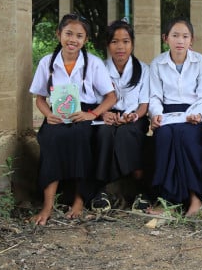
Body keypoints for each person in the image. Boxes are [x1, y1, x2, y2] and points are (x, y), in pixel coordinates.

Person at [29, 13, 117, 225]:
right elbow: (39, 98)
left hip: (84, 113)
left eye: (79, 36)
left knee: (80, 137)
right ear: (59, 34)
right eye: (68, 34)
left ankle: (79, 201)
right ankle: (47, 205)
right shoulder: (47, 63)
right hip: (57, 114)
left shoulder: (93, 63)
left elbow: (111, 96)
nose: (73, 40)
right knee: (51, 139)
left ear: (85, 40)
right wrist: (48, 115)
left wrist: (92, 114)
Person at [149, 17, 202, 216]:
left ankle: (195, 198)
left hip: (193, 114)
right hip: (167, 115)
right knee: (165, 136)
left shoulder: (200, 62)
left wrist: (198, 115)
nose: (180, 41)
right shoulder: (157, 63)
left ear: (191, 40)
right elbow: (155, 96)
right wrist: (156, 115)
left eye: (185, 36)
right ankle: (165, 200)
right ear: (165, 38)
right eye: (175, 35)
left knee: (187, 137)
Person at [92, 20, 150, 212]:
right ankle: (101, 190)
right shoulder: (99, 67)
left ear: (132, 44)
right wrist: (104, 114)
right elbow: (96, 100)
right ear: (108, 45)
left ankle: (140, 190)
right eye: (115, 42)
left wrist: (133, 116)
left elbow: (144, 104)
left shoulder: (143, 69)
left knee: (127, 134)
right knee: (103, 134)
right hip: (106, 115)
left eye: (125, 41)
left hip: (134, 117)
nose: (120, 47)